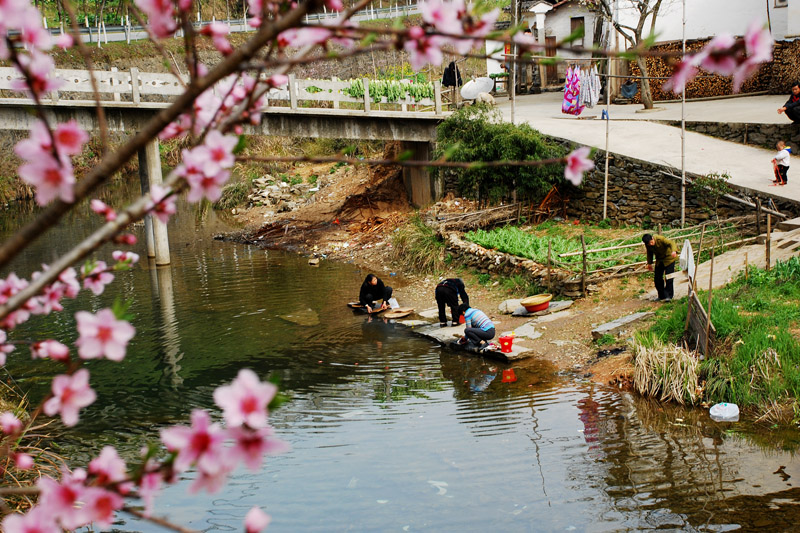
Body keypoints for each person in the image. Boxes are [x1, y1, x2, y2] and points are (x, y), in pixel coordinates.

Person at [642, 233, 678, 302]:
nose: (651, 244)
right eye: (649, 244)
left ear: (652, 238)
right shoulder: (648, 244)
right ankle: (661, 296)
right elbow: (649, 253)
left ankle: (669, 296)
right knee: (657, 279)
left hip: (669, 259)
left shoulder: (660, 239)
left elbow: (671, 243)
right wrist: (649, 263)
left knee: (669, 277)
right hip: (660, 260)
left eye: (651, 242)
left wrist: (673, 251)